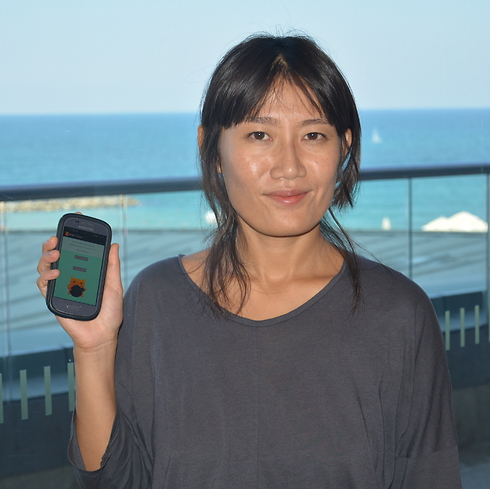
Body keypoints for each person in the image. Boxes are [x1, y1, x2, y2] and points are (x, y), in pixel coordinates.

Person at [37, 34, 462, 488]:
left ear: (344, 147)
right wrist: (95, 349)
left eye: (313, 135)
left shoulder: (397, 314)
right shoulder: (158, 300)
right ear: (212, 148)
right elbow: (116, 480)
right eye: (260, 135)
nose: (289, 166)